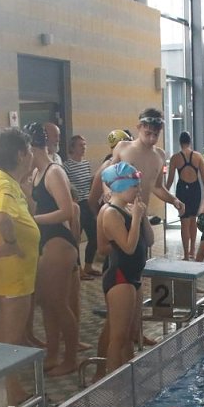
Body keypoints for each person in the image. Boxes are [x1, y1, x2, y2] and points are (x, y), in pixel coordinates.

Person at [0, 128, 40, 403]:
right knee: (9, 339)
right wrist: (13, 243)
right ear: (21, 154)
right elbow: (1, 217)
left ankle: (7, 391)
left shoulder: (1, 181)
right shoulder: (4, 186)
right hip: (11, 276)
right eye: (29, 151)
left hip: (8, 275)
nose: (32, 156)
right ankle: (12, 393)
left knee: (6, 335)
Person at [26, 123, 80, 376]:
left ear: (31, 147)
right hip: (46, 241)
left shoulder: (53, 172)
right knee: (48, 303)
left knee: (58, 303)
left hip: (59, 240)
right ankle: (52, 353)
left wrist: (33, 220)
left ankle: (71, 358)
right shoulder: (37, 172)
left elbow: (67, 211)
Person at [98, 162, 150, 374]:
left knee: (130, 334)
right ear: (120, 186)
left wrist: (142, 217)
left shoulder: (129, 209)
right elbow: (128, 248)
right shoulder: (111, 213)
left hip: (134, 276)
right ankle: (112, 384)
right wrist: (136, 218)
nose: (139, 189)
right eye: (135, 186)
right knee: (118, 337)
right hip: (120, 277)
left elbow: (149, 240)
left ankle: (129, 379)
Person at [111, 109, 185, 225]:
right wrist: (107, 192)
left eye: (156, 134)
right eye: (148, 133)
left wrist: (174, 200)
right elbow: (107, 176)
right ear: (139, 127)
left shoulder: (160, 155)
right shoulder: (123, 148)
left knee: (147, 236)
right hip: (119, 213)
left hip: (141, 214)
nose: (152, 138)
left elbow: (157, 187)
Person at [166, 131, 204, 260]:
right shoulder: (198, 156)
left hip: (182, 190)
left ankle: (185, 255)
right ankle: (192, 251)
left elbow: (170, 180)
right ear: (190, 141)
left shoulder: (175, 158)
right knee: (193, 220)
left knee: (184, 223)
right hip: (195, 190)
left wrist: (165, 193)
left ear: (180, 142)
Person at [64, 134, 99, 277]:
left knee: (95, 236)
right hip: (77, 204)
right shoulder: (67, 166)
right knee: (76, 238)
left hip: (88, 203)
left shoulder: (86, 164)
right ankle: (78, 269)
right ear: (72, 148)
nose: (84, 147)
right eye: (80, 145)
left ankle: (88, 266)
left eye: (85, 145)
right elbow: (66, 186)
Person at [87, 129, 132, 219]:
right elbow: (92, 201)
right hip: (113, 217)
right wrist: (100, 219)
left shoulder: (130, 165)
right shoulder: (107, 166)